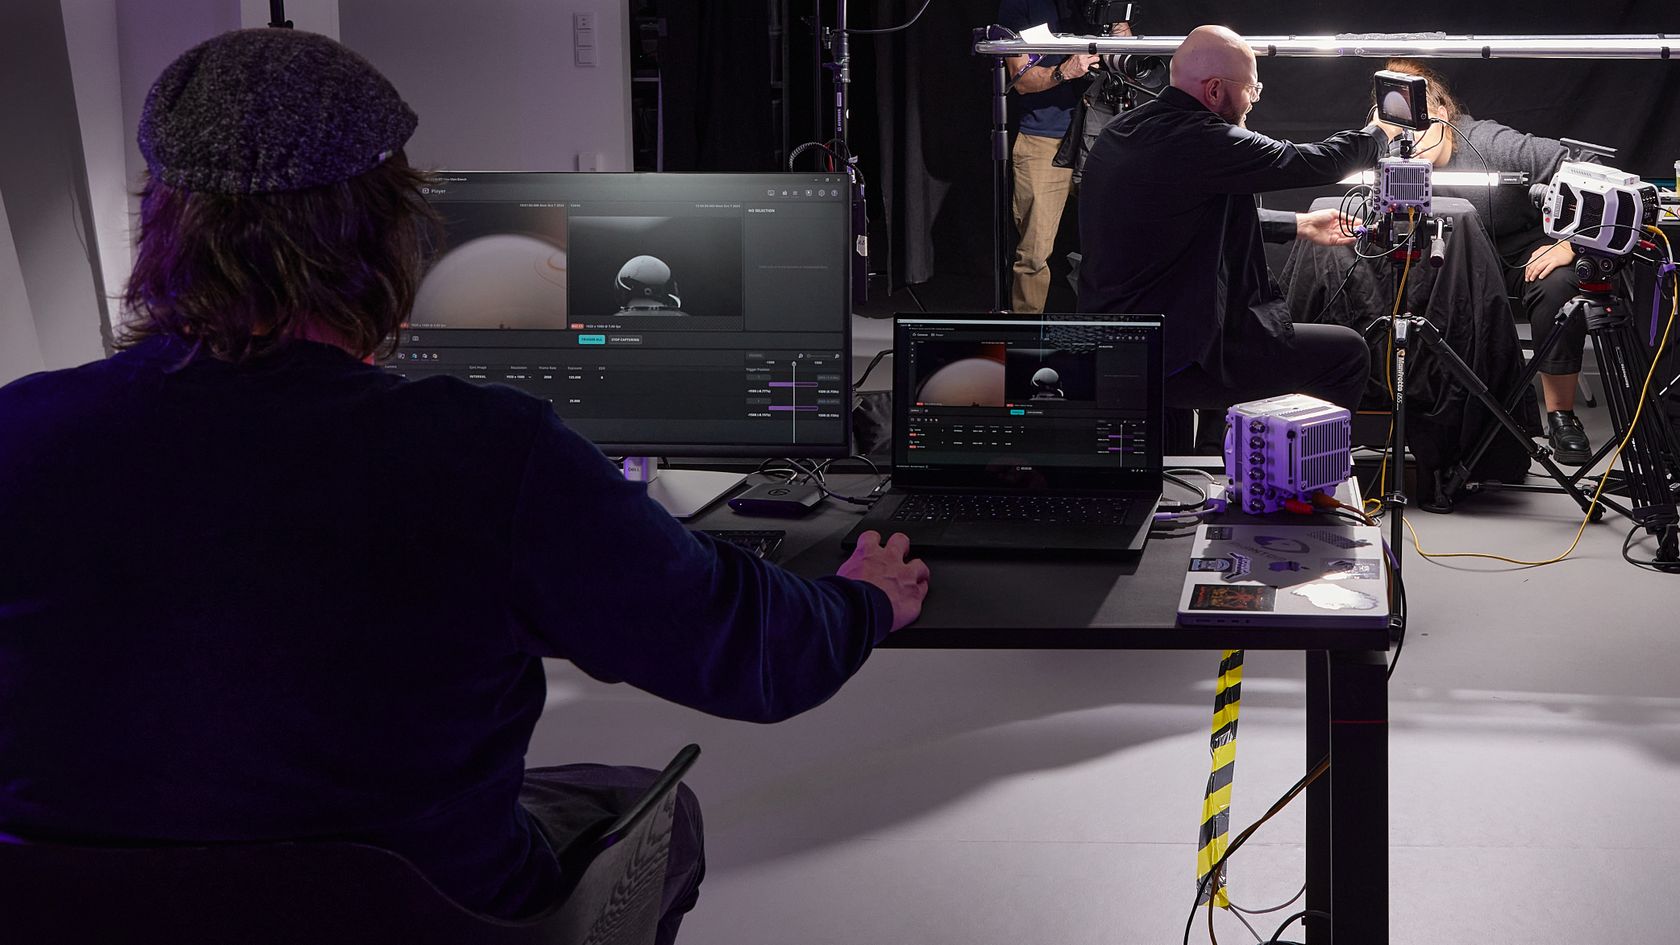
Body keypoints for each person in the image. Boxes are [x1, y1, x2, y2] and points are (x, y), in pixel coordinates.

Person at [0, 28, 930, 944]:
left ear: (165, 226)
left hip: (76, 911)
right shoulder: (486, 454)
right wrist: (862, 603)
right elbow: (746, 654)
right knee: (657, 813)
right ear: (388, 232)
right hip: (420, 914)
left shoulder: (21, 432)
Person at [1079, 25, 1397, 414]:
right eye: (1251, 90)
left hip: (1116, 343)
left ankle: (1230, 452)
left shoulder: (1127, 129)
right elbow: (1309, 161)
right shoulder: (1200, 137)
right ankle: (1300, 471)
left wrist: (1298, 224)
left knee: (1243, 333)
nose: (1252, 102)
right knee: (1346, 355)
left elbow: (1181, 220)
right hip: (1170, 356)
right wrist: (1380, 134)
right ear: (1214, 90)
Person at [1380, 58, 1595, 465]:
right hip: (1452, 256)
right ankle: (1426, 411)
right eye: (1400, 132)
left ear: (1442, 113)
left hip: (1518, 253)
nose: (1412, 143)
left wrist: (1572, 242)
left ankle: (1561, 416)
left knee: (1558, 288)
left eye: (1420, 127)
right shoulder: (1396, 160)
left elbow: (1590, 170)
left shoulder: (1493, 145)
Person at [999, 0, 1100, 313]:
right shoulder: (1020, 6)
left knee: (1118, 246)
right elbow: (1020, 80)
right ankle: (1025, 343)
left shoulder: (1099, 6)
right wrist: (1064, 72)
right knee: (1033, 253)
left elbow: (1131, 70)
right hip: (1043, 139)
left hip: (1100, 136)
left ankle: (1114, 339)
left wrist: (1122, 34)